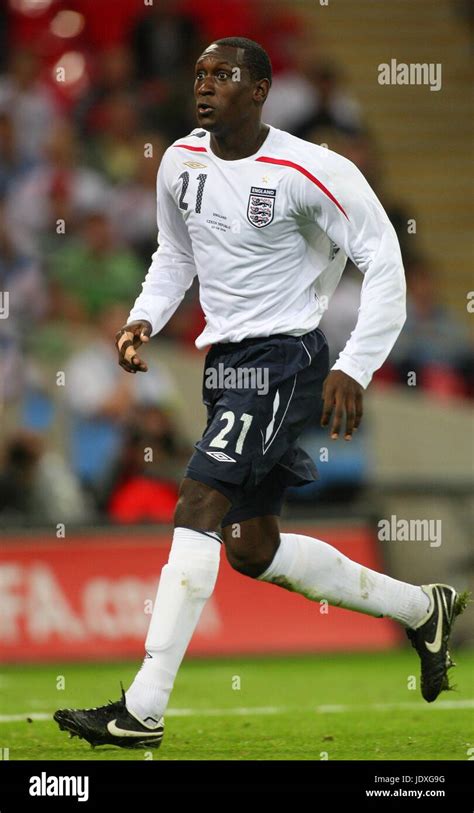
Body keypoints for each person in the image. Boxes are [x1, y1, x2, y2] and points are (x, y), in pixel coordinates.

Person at [54, 37, 467, 750]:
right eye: (201, 74)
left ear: (262, 90)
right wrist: (142, 318)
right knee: (249, 546)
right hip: (224, 362)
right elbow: (175, 253)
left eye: (225, 75)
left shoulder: (313, 170)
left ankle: (143, 706)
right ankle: (420, 606)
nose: (207, 85)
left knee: (197, 502)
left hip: (286, 359)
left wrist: (355, 366)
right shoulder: (181, 162)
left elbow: (385, 263)